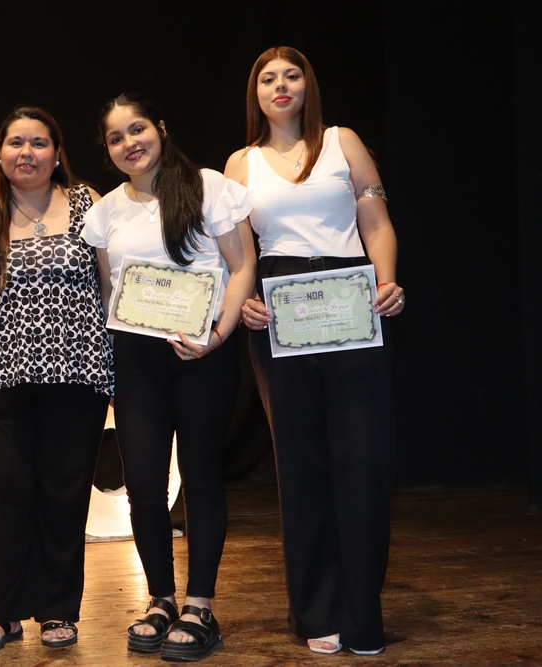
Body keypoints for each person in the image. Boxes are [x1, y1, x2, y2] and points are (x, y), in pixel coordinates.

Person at [225, 46, 404, 656]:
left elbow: (376, 222)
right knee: (301, 463)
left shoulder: (342, 142)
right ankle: (317, 613)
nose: (280, 85)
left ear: (308, 85)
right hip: (281, 312)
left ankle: (363, 614)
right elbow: (238, 254)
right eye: (267, 78)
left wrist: (387, 283)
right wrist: (244, 303)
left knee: (363, 458)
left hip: (352, 303)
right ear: (255, 93)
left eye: (291, 75)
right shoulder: (241, 163)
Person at [82, 94, 256, 662]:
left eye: (137, 129)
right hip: (137, 360)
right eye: (116, 138)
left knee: (201, 476)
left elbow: (242, 266)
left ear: (160, 127)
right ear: (108, 150)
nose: (129, 143)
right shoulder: (105, 211)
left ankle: (200, 605)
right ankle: (160, 599)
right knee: (144, 484)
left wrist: (219, 335)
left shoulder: (209, 187)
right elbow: (109, 293)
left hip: (203, 352)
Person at [0, 106, 114, 655]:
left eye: (39, 143)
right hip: (1, 373)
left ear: (58, 153)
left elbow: (111, 286)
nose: (27, 153)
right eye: (16, 143)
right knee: (6, 491)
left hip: (78, 370)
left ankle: (57, 609)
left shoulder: (88, 203)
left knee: (65, 491)